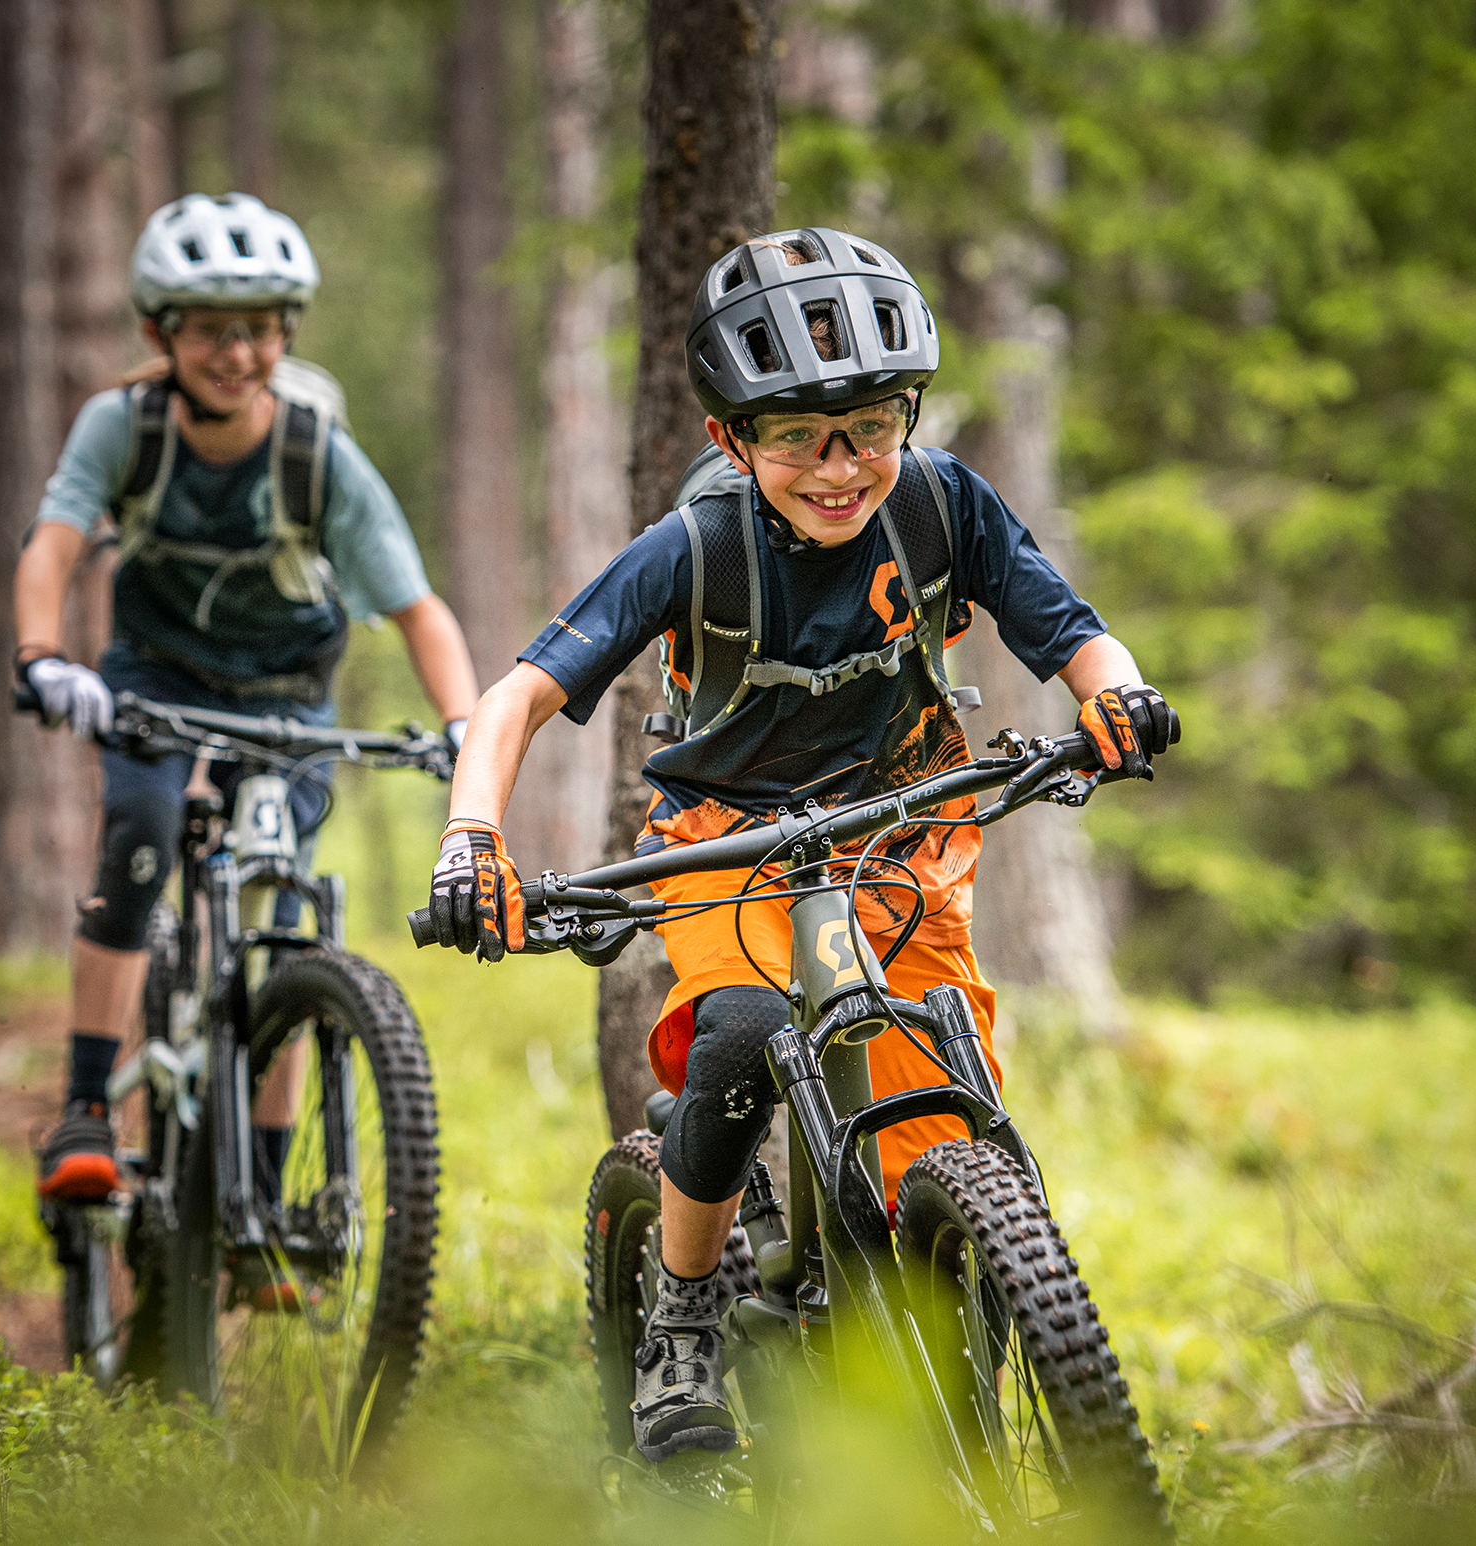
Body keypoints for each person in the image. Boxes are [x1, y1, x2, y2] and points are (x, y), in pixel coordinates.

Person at [421, 228, 1174, 1462]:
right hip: (723, 845)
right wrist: (469, 841)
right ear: (732, 439)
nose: (841, 468)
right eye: (796, 438)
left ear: (907, 416)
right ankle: (682, 1311)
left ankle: (954, 1352)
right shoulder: (695, 548)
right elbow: (513, 701)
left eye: (871, 427)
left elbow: (1071, 633)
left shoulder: (940, 503)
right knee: (735, 1032)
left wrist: (1117, 699)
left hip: (902, 829)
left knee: (943, 1108)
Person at [17, 192, 478, 1227]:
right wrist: (46, 659)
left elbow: (418, 607)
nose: (238, 352)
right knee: (139, 837)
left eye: (261, 328)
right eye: (212, 328)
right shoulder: (122, 426)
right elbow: (52, 543)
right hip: (156, 680)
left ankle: (263, 1195)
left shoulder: (317, 454)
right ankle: (88, 1106)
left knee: (283, 920)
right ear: (158, 333)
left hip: (283, 698)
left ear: (285, 333)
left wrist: (462, 727)